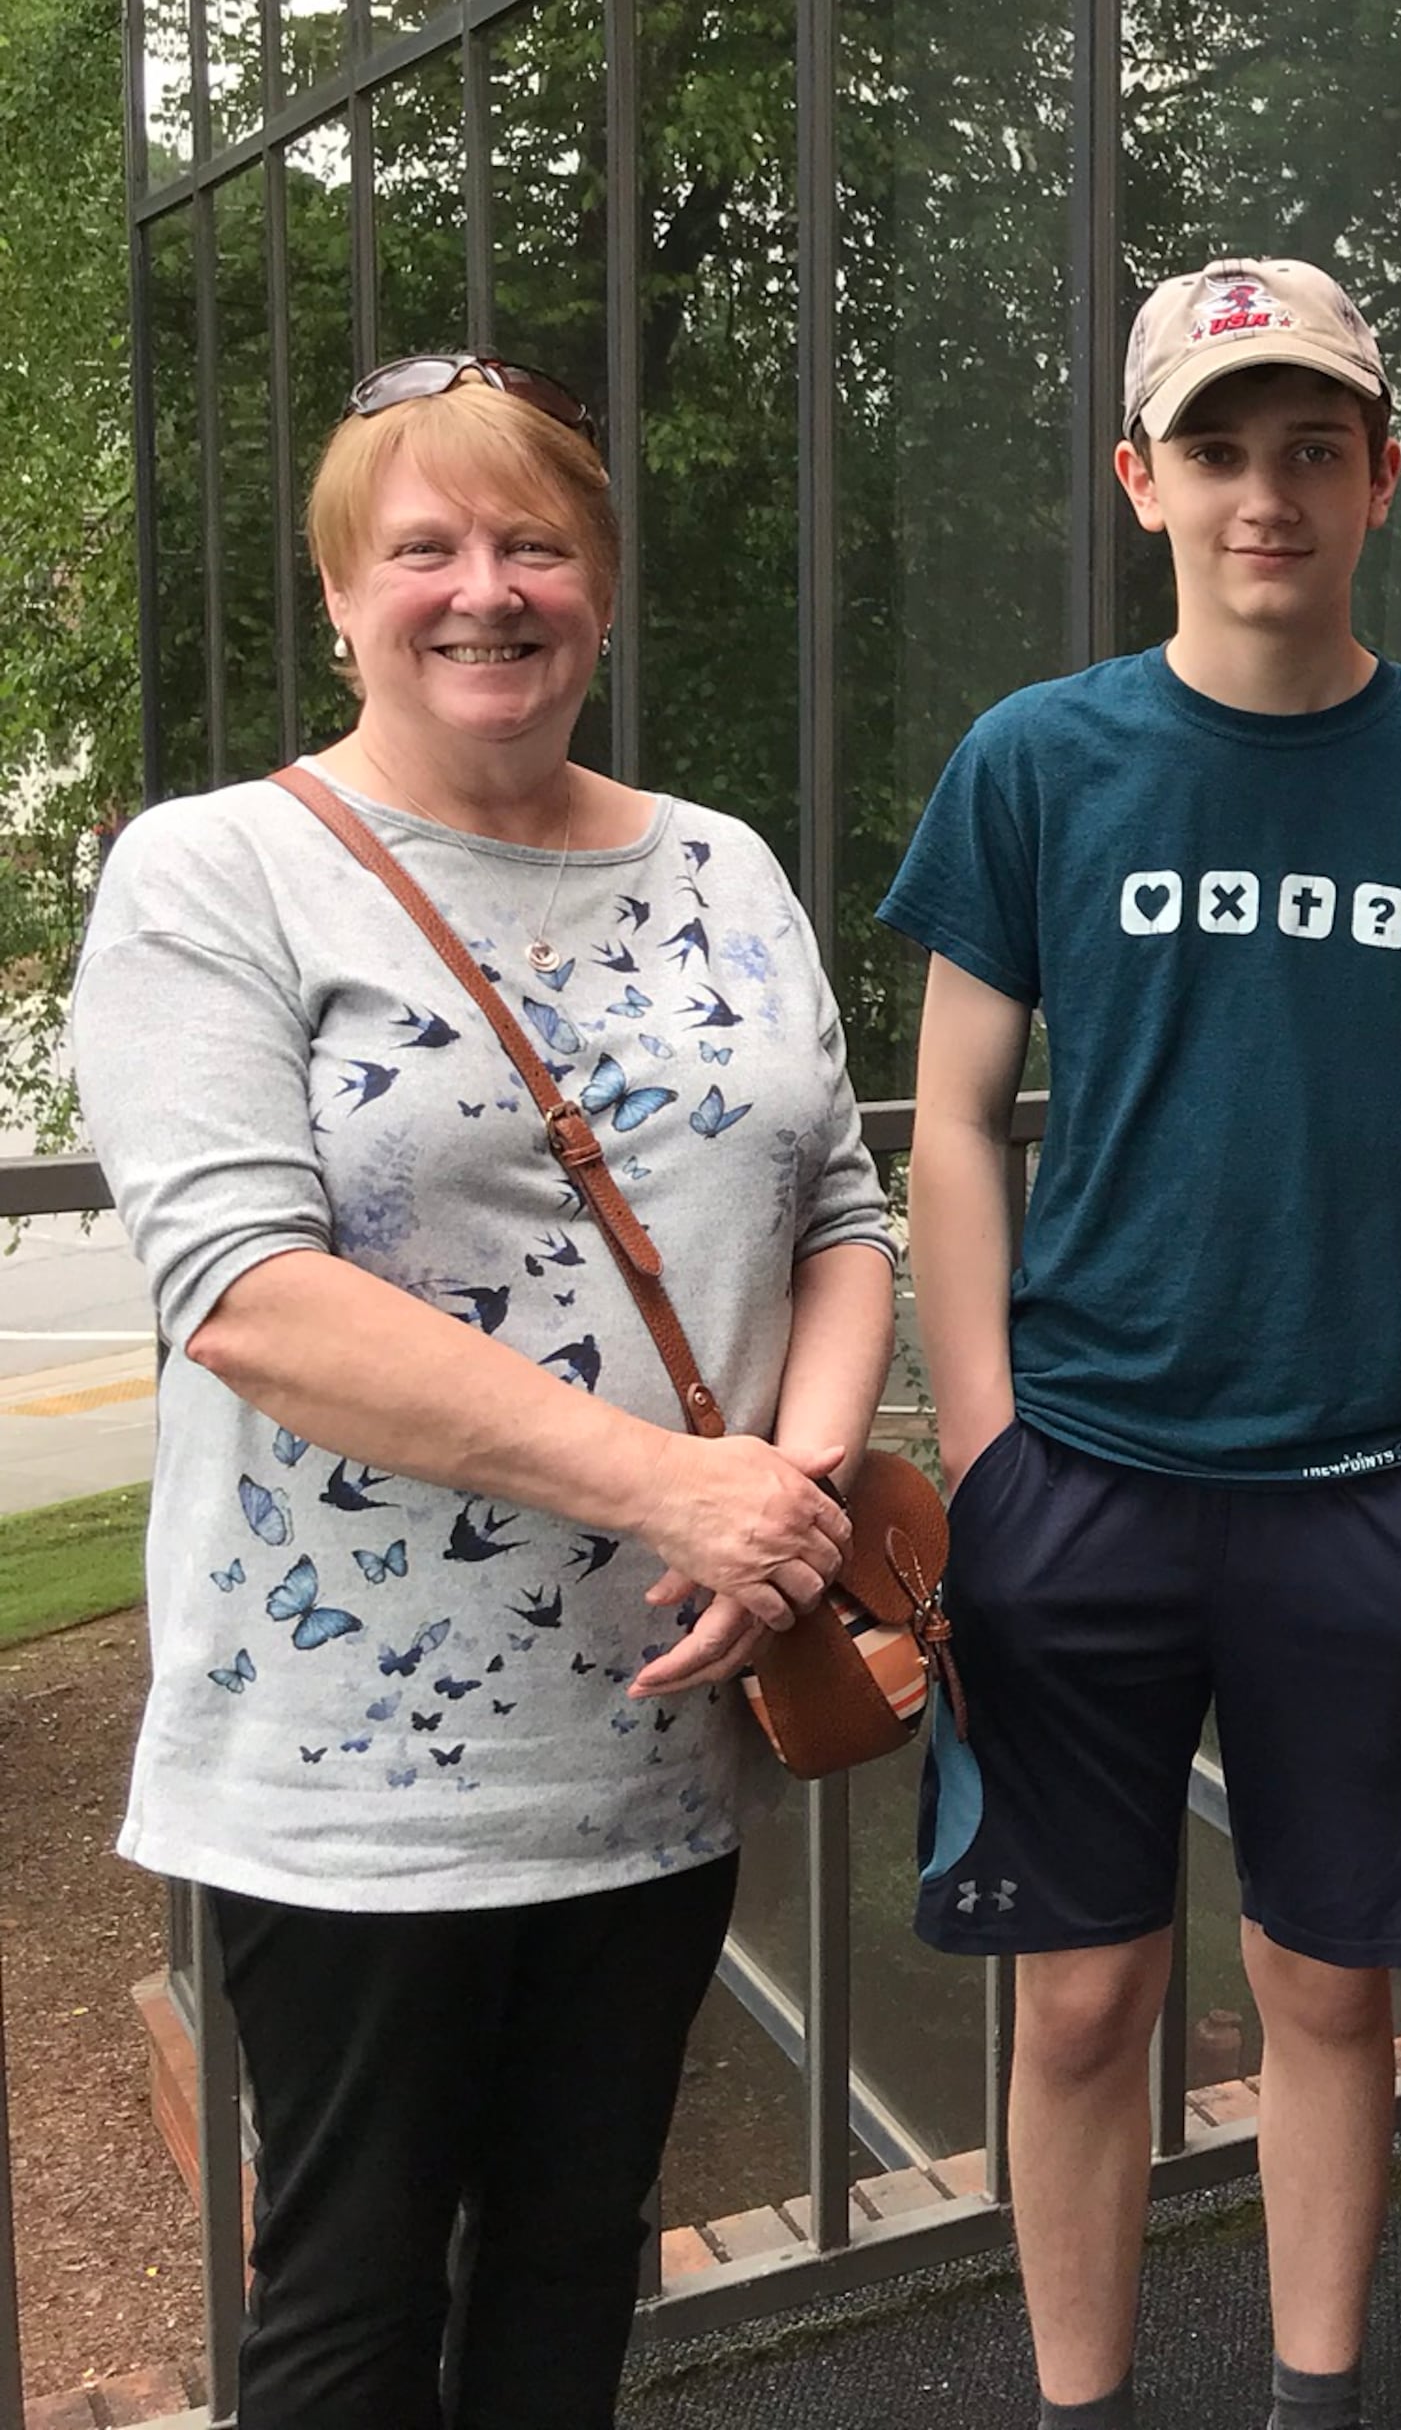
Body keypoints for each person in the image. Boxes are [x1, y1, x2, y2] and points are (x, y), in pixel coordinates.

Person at [70, 355, 891, 2427]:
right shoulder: (216, 875)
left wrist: (785, 1505)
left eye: (533, 542)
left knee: (570, 2266)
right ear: (344, 600)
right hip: (351, 1778)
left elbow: (846, 1208)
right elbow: (246, 1292)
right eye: (421, 547)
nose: (483, 588)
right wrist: (677, 1488)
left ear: (599, 590)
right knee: (347, 2308)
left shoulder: (719, 863)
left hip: (654, 1735)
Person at [885, 259, 1401, 2430]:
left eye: (1316, 448)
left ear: (1379, 481)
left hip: (1374, 1477)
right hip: (1082, 1467)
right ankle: (1078, 2406)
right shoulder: (1040, 762)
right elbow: (954, 1124)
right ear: (1142, 476)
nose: (1271, 491)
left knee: (1330, 1993)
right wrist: (981, 1441)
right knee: (1080, 2003)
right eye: (1225, 448)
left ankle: (1313, 2403)